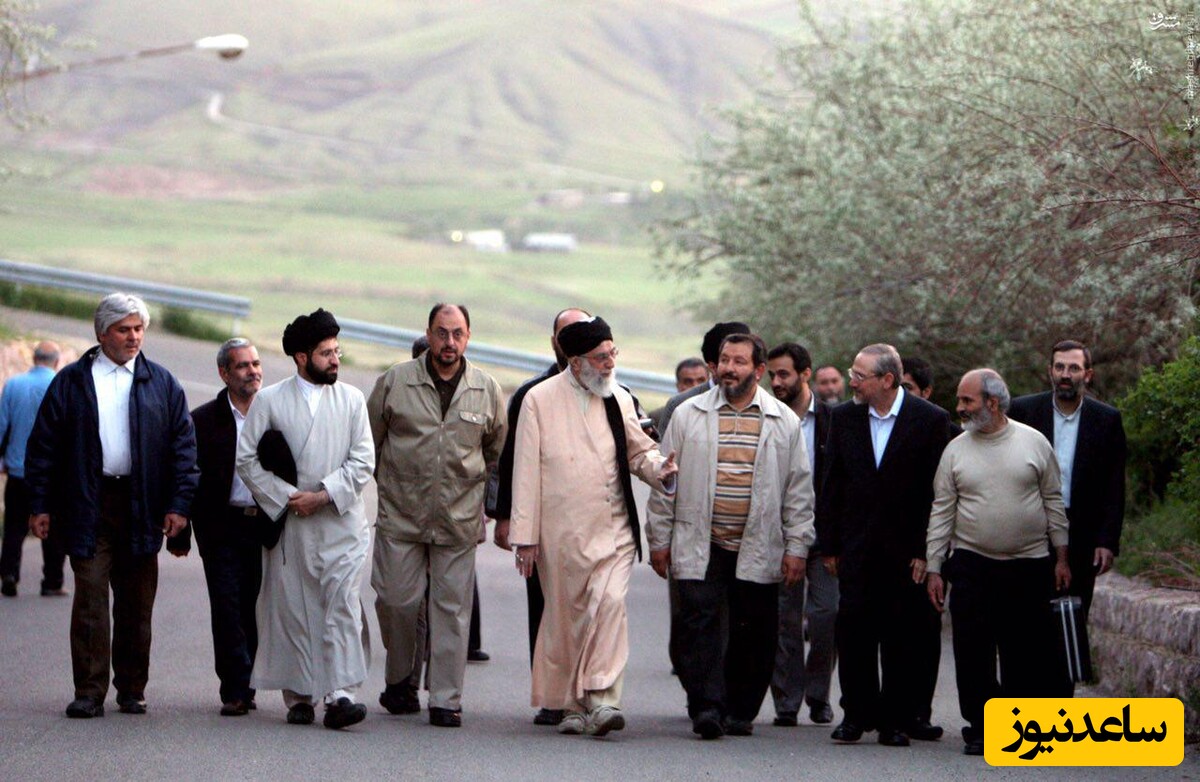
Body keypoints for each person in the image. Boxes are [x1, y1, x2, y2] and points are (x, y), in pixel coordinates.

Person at [26, 294, 198, 718]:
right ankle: (88, 691)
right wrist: (40, 505)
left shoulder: (163, 383)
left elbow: (184, 451)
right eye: (124, 329)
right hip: (87, 503)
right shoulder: (70, 382)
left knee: (137, 604)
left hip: (142, 505)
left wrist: (178, 505)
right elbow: (44, 448)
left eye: (139, 329)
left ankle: (132, 689)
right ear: (102, 333)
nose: (134, 337)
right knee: (89, 600)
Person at [510, 315, 677, 738]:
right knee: (568, 619)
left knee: (609, 606)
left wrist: (663, 470)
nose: (609, 363)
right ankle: (571, 705)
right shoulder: (538, 399)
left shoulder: (618, 397)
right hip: (560, 535)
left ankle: (602, 700)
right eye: (601, 357)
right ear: (577, 360)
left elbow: (641, 452)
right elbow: (525, 471)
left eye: (612, 354)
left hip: (614, 530)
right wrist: (525, 537)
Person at [648, 334, 814, 739]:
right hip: (700, 538)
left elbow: (798, 490)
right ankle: (706, 705)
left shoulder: (783, 421)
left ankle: (740, 709)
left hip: (758, 541)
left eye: (739, 362)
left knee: (753, 629)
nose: (729, 368)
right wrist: (659, 539)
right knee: (697, 624)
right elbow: (665, 483)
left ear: (758, 371)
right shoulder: (689, 415)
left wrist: (797, 547)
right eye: (724, 360)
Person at [236, 308, 374, 730]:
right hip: (293, 523)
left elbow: (363, 459)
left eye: (337, 351)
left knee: (341, 605)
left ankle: (341, 694)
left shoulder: (351, 399)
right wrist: (289, 498)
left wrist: (324, 495)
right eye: (326, 353)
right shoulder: (271, 400)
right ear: (301, 357)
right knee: (295, 609)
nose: (335, 360)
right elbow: (246, 459)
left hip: (341, 523)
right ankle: (299, 697)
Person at [368, 303, 505, 728]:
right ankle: (400, 680)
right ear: (428, 333)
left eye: (458, 334)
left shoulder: (486, 389)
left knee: (451, 611)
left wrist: (481, 501)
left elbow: (494, 452)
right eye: (442, 333)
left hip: (457, 519)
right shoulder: (395, 382)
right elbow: (370, 441)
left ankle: (446, 698)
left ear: (468, 337)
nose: (449, 343)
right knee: (396, 601)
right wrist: (392, 487)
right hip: (401, 516)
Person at [926, 369, 1070, 756]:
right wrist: (934, 565)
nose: (959, 408)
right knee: (973, 650)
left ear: (993, 402)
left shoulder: (1033, 442)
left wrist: (1062, 555)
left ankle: (1016, 728)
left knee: (1022, 648)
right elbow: (942, 510)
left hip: (1028, 563)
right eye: (959, 400)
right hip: (973, 562)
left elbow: (1053, 501)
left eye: (967, 400)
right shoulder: (956, 449)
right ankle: (981, 727)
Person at [817, 344, 951, 747]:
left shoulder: (930, 420)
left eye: (860, 375)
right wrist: (830, 544)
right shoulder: (844, 418)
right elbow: (831, 484)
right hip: (855, 548)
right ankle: (856, 714)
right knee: (853, 630)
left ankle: (894, 719)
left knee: (900, 636)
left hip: (905, 551)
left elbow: (936, 494)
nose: (852, 381)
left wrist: (926, 552)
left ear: (887, 380)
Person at [490, 306, 590, 726]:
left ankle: (587, 693)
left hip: (590, 523)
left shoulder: (608, 390)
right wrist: (505, 517)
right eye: (565, 335)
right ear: (553, 342)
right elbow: (512, 459)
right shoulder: (532, 394)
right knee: (545, 608)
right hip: (543, 524)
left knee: (590, 608)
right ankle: (552, 696)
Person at [183, 338, 278, 716]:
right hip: (220, 527)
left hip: (263, 528)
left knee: (253, 607)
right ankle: (235, 688)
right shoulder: (202, 420)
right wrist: (180, 531)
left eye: (255, 363)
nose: (252, 371)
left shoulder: (276, 415)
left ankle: (249, 679)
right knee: (225, 606)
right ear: (224, 373)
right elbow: (189, 476)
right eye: (242, 366)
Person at [1008, 340, 1126, 623]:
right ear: (1050, 371)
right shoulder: (1023, 412)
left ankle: (1071, 669)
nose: (1065, 374)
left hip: (1081, 532)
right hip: (1030, 527)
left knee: (1073, 617)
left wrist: (1107, 540)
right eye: (1059, 367)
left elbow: (1114, 484)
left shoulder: (1106, 420)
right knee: (1028, 614)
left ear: (1088, 374)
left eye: (1074, 368)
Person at [764, 342, 837, 728]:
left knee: (826, 614)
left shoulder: (834, 420)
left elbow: (843, 482)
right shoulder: (766, 418)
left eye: (784, 374)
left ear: (805, 374)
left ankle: (819, 694)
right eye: (771, 374)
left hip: (824, 540)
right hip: (779, 536)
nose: (776, 382)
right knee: (784, 620)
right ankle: (787, 701)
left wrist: (838, 540)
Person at [0, 341, 66, 598]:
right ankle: (52, 580)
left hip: (19, 469)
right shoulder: (62, 384)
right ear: (56, 361)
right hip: (52, 474)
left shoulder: (14, 385)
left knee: (15, 525)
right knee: (53, 527)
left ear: (34, 358)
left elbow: (2, 425)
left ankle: (9, 572)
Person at [648, 357, 707, 431]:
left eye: (701, 381)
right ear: (678, 385)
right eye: (688, 382)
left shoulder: (720, 414)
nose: (695, 387)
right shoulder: (658, 417)